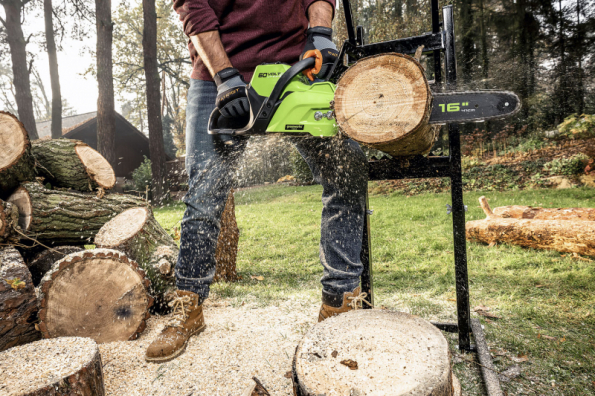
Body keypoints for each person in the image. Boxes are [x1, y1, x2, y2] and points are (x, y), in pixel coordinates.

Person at [145, 0, 370, 363]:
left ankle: (339, 303)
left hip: (296, 71)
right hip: (220, 76)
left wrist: (320, 33)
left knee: (347, 172)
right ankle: (187, 306)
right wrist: (225, 77)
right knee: (204, 195)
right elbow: (194, 8)